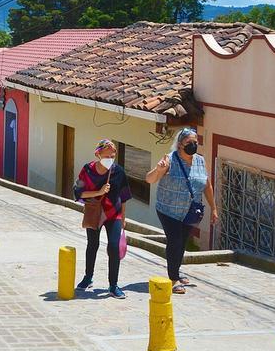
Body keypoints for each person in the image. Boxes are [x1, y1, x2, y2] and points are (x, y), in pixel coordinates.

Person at [146, 127, 219, 294]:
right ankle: (173, 278)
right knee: (175, 241)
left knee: (182, 242)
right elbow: (149, 179)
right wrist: (158, 169)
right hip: (168, 209)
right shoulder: (169, 160)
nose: (193, 145)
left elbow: (207, 186)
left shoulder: (200, 161)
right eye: (188, 142)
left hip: (189, 211)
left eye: (195, 142)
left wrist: (213, 208)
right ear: (180, 144)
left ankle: (176, 271)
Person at [74, 139, 132, 299]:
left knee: (114, 247)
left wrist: (124, 218)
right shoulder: (87, 170)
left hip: (114, 214)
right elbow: (78, 193)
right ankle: (88, 277)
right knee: (92, 244)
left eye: (113, 156)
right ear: (98, 154)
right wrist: (98, 192)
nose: (110, 159)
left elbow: (124, 196)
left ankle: (113, 285)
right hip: (95, 213)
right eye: (107, 156)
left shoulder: (118, 172)